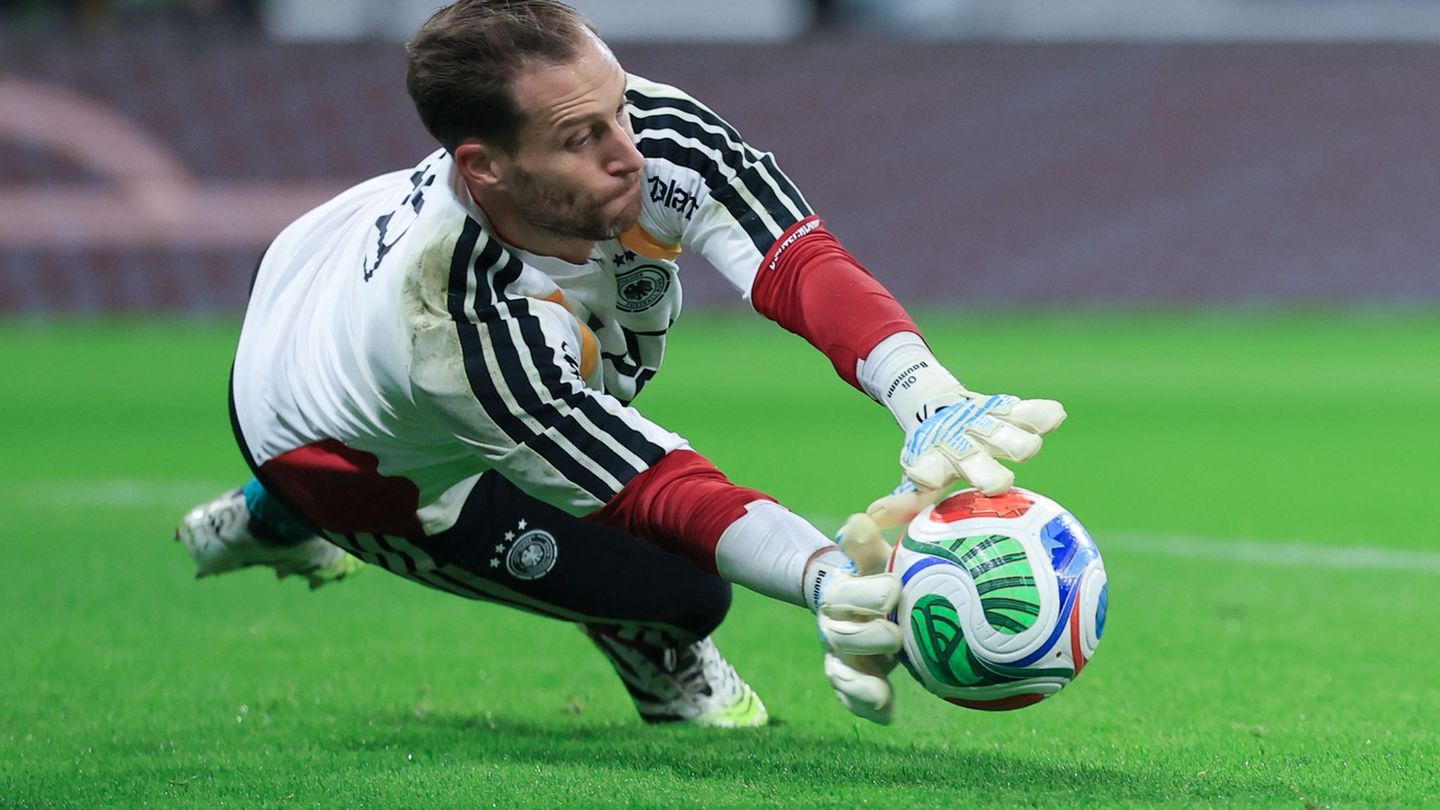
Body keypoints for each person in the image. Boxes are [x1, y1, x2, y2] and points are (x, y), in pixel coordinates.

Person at [175, 0, 1065, 728]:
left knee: (595, 370)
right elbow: (646, 486)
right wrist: (829, 578)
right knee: (684, 589)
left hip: (322, 264)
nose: (629, 151)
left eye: (618, 107)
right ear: (484, 169)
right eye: (579, 137)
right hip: (326, 447)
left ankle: (275, 513)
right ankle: (289, 512)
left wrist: (924, 391)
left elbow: (793, 258)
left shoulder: (645, 127)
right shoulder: (450, 324)